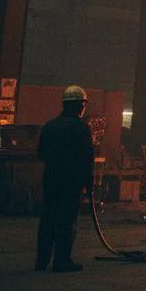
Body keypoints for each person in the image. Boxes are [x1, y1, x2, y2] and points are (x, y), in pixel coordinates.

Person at [36, 84, 95, 273]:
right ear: (80, 105)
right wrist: (89, 182)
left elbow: (41, 154)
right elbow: (87, 158)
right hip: (72, 182)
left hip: (51, 180)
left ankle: (42, 261)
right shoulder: (81, 128)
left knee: (48, 219)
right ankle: (61, 261)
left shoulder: (50, 126)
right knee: (67, 221)